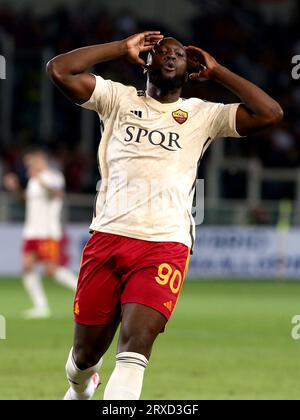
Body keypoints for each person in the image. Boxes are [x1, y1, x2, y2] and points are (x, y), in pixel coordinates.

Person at [47, 31, 283, 400]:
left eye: (179, 55)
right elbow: (59, 69)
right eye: (162, 51)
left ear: (190, 69)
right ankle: (80, 389)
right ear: (146, 61)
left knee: (134, 347)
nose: (171, 56)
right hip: (109, 236)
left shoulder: (202, 114)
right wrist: (118, 49)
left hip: (165, 243)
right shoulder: (117, 98)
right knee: (85, 355)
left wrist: (219, 71)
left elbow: (270, 113)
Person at [3, 148, 77, 319]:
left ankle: (82, 291)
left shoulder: (54, 176)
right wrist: (15, 189)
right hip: (31, 231)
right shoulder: (32, 181)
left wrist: (40, 179)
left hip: (48, 231)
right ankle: (40, 306)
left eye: (30, 163)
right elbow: (27, 202)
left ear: (40, 160)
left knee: (50, 270)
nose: (27, 166)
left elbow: (57, 193)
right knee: (27, 266)